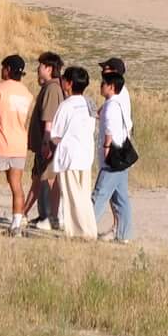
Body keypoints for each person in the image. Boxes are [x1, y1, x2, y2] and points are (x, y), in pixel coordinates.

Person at [0, 53, 35, 231]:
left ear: (8, 70)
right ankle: (16, 224)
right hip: (19, 144)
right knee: (16, 186)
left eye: (3, 67)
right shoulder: (27, 94)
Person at [47, 65, 98, 240]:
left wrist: (51, 145)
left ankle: (80, 232)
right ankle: (89, 229)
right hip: (85, 154)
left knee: (72, 196)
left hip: (70, 156)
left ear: (68, 83)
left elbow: (56, 135)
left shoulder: (66, 106)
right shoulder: (90, 103)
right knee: (83, 194)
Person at [93, 59, 134, 243]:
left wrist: (106, 150)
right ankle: (123, 234)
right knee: (120, 197)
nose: (101, 80)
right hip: (122, 152)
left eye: (105, 75)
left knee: (99, 195)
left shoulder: (113, 102)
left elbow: (109, 127)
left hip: (113, 154)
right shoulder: (120, 96)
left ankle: (85, 227)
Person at [28, 52, 65, 230]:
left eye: (41, 66)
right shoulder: (52, 87)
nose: (38, 69)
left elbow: (48, 118)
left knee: (45, 180)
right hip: (48, 143)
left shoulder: (52, 88)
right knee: (38, 179)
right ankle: (39, 215)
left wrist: (45, 142)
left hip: (48, 143)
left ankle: (49, 218)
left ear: (49, 69)